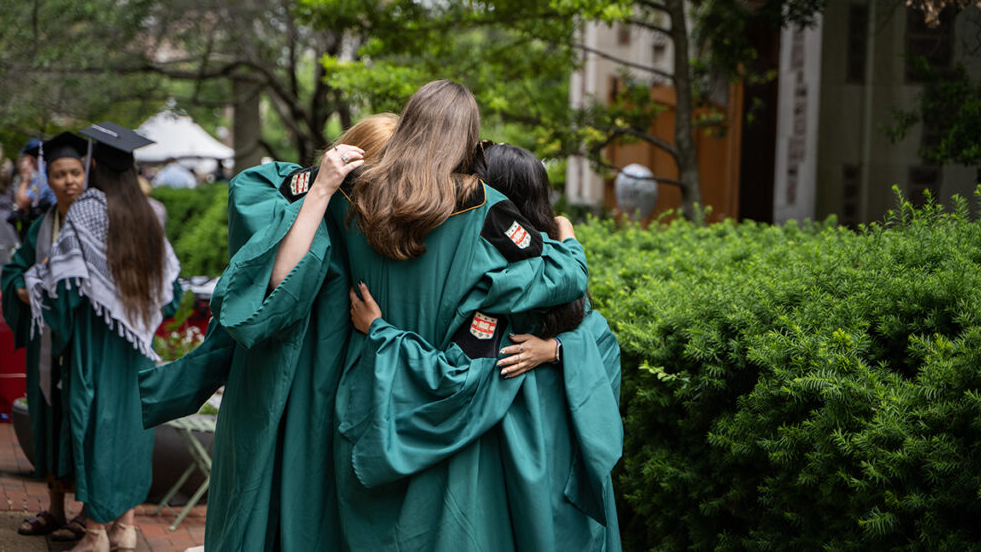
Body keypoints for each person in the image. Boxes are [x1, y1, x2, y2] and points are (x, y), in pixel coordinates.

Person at [303, 80, 589, 549]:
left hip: (369, 387)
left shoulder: (351, 198)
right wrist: (567, 238)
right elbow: (566, 277)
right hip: (448, 404)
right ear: (467, 138)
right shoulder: (488, 211)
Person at [138, 113, 399, 551]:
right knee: (259, 500)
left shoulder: (388, 221)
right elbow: (277, 281)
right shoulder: (284, 190)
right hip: (275, 376)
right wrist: (322, 190)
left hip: (335, 385)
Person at [347, 142, 623, 550]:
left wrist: (380, 332)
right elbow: (603, 342)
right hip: (545, 438)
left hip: (503, 429)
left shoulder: (498, 273)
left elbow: (446, 376)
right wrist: (568, 243)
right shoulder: (555, 264)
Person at [23, 122, 181, 552]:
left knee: (93, 430)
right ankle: (125, 528)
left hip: (96, 345)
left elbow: (68, 287)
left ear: (94, 165)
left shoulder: (88, 211)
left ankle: (94, 532)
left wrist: (55, 316)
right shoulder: (147, 214)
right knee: (131, 432)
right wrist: (140, 316)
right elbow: (171, 292)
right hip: (137, 348)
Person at [1, 132, 89, 541]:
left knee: (84, 424)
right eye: (59, 174)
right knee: (50, 420)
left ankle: (92, 513)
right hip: (48, 343)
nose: (69, 180)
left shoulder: (96, 222)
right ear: (48, 180)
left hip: (86, 345)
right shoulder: (41, 226)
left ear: (86, 174)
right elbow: (14, 270)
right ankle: (55, 509)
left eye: (75, 172)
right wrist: (19, 287)